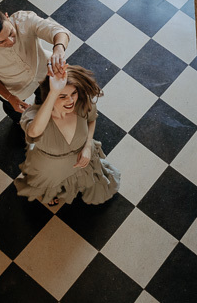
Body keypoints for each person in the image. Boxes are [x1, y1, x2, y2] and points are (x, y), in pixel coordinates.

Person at [15, 65, 120, 206]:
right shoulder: (34, 116)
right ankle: (49, 192)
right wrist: (53, 92)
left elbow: (91, 119)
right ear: (49, 96)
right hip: (51, 168)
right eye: (62, 96)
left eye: (73, 93)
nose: (70, 101)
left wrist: (88, 145)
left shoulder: (82, 103)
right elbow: (33, 132)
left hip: (82, 157)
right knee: (50, 185)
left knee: (89, 180)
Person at [0, 8, 70, 122]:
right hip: (14, 91)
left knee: (46, 100)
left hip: (44, 72)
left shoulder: (24, 20)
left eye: (11, 33)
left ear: (7, 17)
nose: (10, 41)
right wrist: (10, 97)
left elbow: (58, 31)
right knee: (17, 115)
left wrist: (59, 48)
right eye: (1, 42)